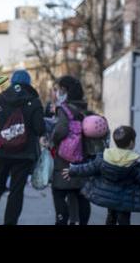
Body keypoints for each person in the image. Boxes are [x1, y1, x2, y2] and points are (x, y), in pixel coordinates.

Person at [63, 126, 140, 225]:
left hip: (109, 197)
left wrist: (72, 171)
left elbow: (88, 168)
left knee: (111, 218)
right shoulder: (132, 164)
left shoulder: (104, 158)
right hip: (124, 200)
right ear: (132, 143)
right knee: (124, 220)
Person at [0, 70, 46, 225]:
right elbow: (40, 129)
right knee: (16, 191)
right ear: (28, 83)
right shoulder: (34, 101)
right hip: (24, 154)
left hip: (1, 150)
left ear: (12, 83)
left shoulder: (2, 97)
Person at [48, 76, 92, 225]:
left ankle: (61, 222)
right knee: (81, 196)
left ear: (64, 90)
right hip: (83, 161)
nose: (57, 92)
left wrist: (52, 141)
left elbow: (60, 130)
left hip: (65, 161)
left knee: (59, 192)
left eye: (58, 89)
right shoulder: (85, 109)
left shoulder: (64, 109)